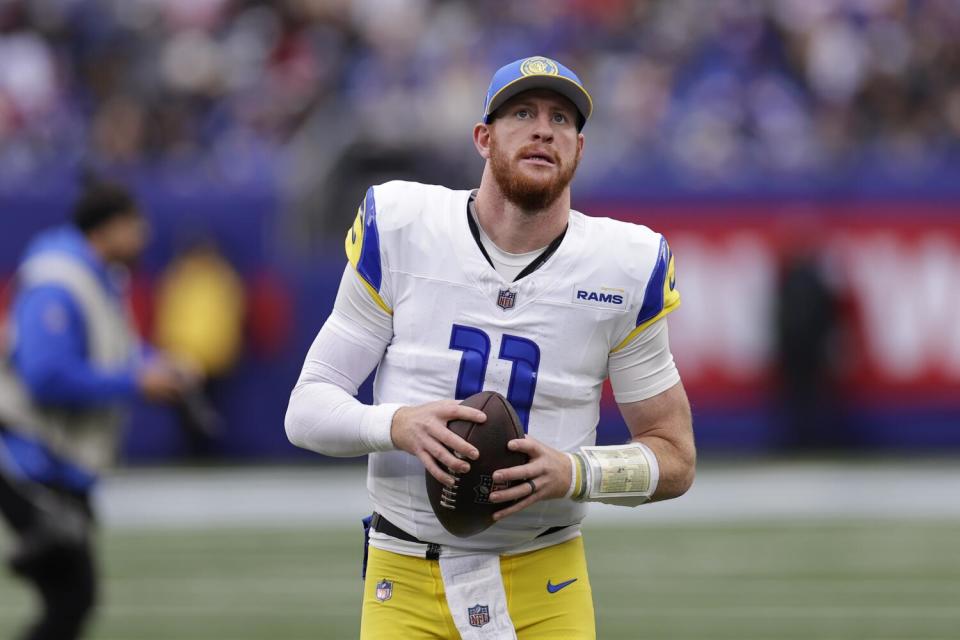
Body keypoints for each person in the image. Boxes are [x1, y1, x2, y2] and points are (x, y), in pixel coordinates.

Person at [285, 56, 695, 640]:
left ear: (579, 149)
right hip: (404, 575)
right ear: (483, 137)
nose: (543, 129)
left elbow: (674, 458)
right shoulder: (403, 225)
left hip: (545, 582)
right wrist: (398, 424)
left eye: (560, 119)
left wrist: (576, 471)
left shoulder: (625, 265)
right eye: (522, 112)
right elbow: (306, 410)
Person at [0, 182, 190, 640]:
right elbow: (46, 377)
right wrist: (137, 382)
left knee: (72, 601)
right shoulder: (58, 280)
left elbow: (114, 351)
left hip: (60, 463)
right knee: (72, 597)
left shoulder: (98, 275)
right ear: (111, 227)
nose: (144, 235)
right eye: (136, 225)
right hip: (30, 458)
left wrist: (156, 365)